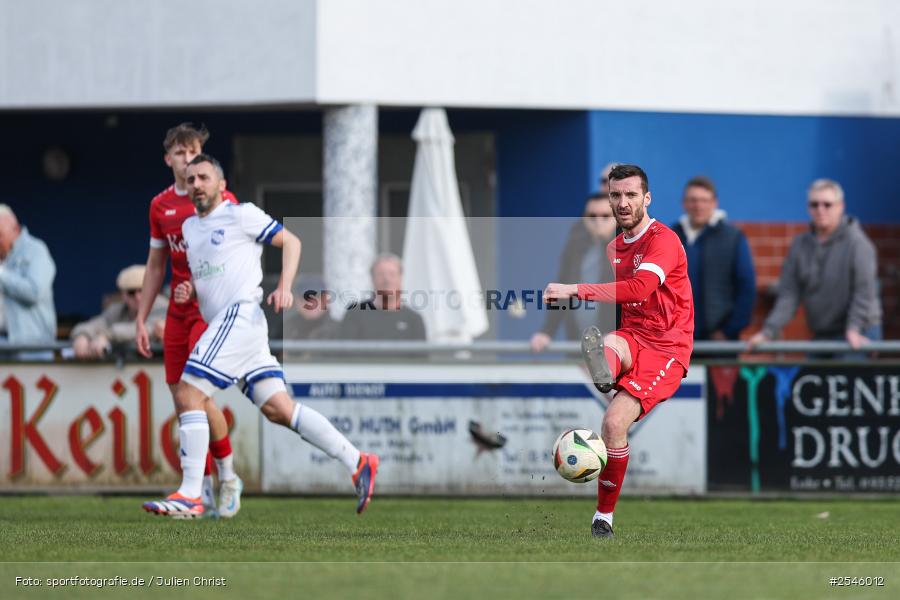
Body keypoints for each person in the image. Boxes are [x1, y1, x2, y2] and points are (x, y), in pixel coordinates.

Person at [142, 154, 378, 518]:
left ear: (221, 186)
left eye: (204, 177)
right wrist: (190, 290)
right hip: (238, 328)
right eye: (191, 180)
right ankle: (358, 460)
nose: (197, 184)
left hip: (239, 317)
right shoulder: (189, 228)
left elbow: (292, 242)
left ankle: (192, 494)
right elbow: (213, 273)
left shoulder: (240, 213)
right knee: (279, 409)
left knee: (188, 392)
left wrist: (285, 286)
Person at [543, 164, 694, 539]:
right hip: (634, 334)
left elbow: (641, 289)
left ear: (647, 198)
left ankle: (603, 517)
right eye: (616, 195)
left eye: (630, 195)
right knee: (607, 342)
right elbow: (621, 302)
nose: (622, 203)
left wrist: (575, 289)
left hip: (668, 347)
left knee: (613, 425)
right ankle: (606, 373)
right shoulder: (614, 246)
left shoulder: (664, 240)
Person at [134, 124, 241, 518]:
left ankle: (220, 478)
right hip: (178, 312)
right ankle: (208, 485)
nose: (188, 160)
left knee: (194, 393)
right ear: (168, 159)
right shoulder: (160, 206)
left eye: (194, 152)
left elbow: (231, 254)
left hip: (209, 308)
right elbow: (156, 264)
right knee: (185, 401)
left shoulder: (220, 198)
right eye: (181, 153)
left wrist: (197, 286)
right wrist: (143, 318)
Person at [747, 179, 881, 353]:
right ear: (808, 208)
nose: (820, 210)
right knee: (811, 377)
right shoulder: (800, 245)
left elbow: (864, 292)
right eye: (814, 204)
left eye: (827, 204)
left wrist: (853, 329)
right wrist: (768, 331)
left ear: (841, 206)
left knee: (847, 376)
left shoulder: (858, 244)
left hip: (859, 332)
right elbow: (789, 295)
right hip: (822, 333)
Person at [671, 176, 755, 341]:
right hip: (677, 340)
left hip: (720, 341)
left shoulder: (733, 238)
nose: (698, 206)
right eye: (693, 200)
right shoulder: (671, 236)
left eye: (704, 200)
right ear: (684, 203)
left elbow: (747, 288)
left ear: (714, 203)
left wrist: (729, 331)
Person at [531, 193, 617, 352]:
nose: (598, 222)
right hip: (578, 344)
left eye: (605, 216)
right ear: (584, 218)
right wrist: (547, 331)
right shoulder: (575, 247)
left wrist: (619, 334)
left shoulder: (628, 248)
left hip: (616, 346)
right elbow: (562, 290)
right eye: (592, 216)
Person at [72, 265, 167, 358]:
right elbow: (97, 323)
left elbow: (141, 330)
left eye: (142, 290)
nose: (138, 297)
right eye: (131, 292)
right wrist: (83, 335)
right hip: (130, 370)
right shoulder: (118, 309)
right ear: (123, 295)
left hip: (163, 370)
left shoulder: (164, 307)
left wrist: (105, 336)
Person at [0, 205, 57, 347]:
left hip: (31, 348)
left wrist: (1, 273)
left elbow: (34, 291)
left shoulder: (36, 250)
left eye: (0, 235)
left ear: (15, 229)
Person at [339, 254, 427, 341]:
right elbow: (344, 353)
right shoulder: (355, 316)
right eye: (381, 274)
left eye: (392, 274)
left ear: (401, 278)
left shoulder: (414, 320)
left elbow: (420, 354)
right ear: (372, 279)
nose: (387, 280)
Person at [283, 274, 339, 341]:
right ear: (297, 301)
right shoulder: (287, 327)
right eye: (305, 298)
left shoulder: (339, 328)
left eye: (317, 297)